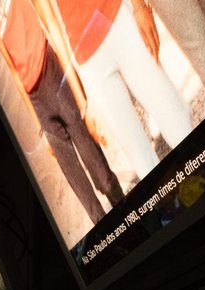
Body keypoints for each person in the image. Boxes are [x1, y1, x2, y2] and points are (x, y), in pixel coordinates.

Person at [0, 0, 124, 225]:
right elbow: (12, 68)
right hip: (38, 103)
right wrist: (39, 126)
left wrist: (76, 87)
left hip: (53, 73)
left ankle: (138, 223)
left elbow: (51, 23)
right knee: (91, 206)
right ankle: (116, 250)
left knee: (104, 179)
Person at [53, 0, 195, 186]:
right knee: (142, 160)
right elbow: (53, 27)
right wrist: (83, 104)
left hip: (118, 18)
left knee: (174, 116)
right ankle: (177, 210)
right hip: (90, 60)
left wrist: (139, 7)